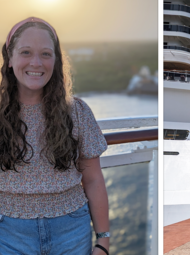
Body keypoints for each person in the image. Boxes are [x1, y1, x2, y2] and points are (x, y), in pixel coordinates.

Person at [0, 17, 110, 254]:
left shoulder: (77, 112)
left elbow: (93, 179)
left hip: (72, 232)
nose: (36, 62)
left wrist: (103, 242)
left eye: (46, 54)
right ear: (10, 58)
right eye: (26, 52)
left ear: (56, 61)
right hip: (8, 235)